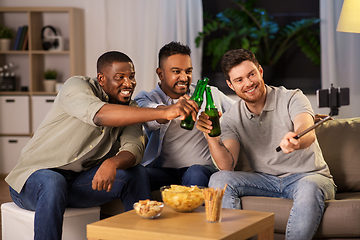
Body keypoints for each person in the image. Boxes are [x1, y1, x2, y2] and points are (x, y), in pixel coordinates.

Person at [5, 51, 199, 240]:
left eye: (132, 77)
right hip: (32, 181)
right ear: (102, 79)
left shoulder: (132, 109)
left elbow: (134, 149)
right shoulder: (77, 86)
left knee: (136, 172)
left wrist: (113, 163)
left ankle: (144, 236)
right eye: (120, 77)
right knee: (53, 181)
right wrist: (164, 112)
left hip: (76, 183)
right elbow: (98, 114)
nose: (128, 83)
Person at [196, 49, 336, 239]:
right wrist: (211, 135)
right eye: (239, 80)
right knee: (219, 179)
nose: (248, 83)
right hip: (266, 181)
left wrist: (296, 140)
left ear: (260, 71)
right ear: (230, 85)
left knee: (309, 187)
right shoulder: (231, 118)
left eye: (251, 74)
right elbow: (227, 165)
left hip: (309, 176)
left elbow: (306, 130)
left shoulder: (292, 97)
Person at [134, 42, 235, 191]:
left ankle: (195, 214)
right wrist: (172, 110)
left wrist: (221, 122)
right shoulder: (146, 98)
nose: (184, 77)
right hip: (164, 172)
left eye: (188, 71)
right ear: (160, 73)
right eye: (176, 71)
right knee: (136, 173)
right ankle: (145, 212)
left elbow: (241, 113)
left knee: (195, 172)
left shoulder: (209, 93)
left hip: (202, 170)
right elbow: (149, 117)